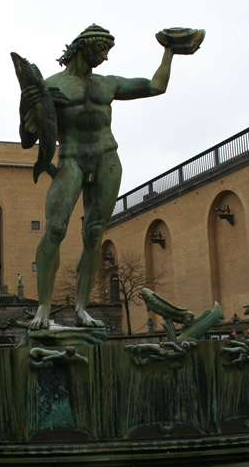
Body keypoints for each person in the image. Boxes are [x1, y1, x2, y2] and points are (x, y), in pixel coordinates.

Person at [25, 24, 176, 330]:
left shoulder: (108, 84)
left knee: (94, 233)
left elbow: (156, 86)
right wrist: (28, 102)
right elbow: (28, 137)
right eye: (101, 51)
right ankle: (43, 307)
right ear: (85, 47)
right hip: (71, 159)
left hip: (107, 158)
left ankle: (81, 307)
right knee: (54, 228)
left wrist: (169, 51)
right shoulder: (52, 86)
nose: (105, 59)